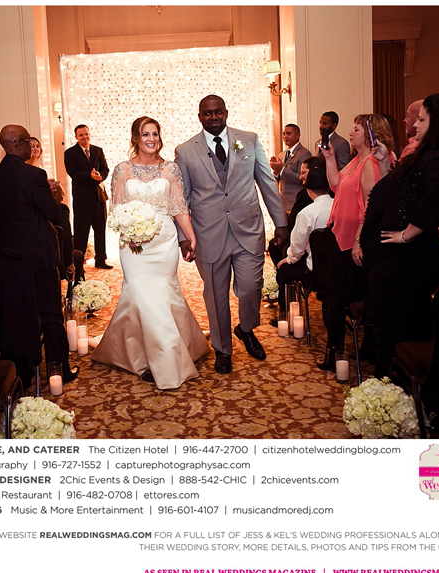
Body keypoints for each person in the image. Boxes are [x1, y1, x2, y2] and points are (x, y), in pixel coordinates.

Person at [92, 117, 209, 389]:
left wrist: (191, 236)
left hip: (164, 241)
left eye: (155, 134)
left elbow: (178, 206)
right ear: (136, 137)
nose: (151, 139)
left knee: (165, 294)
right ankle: (147, 356)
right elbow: (116, 210)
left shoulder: (170, 168)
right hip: (133, 245)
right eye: (146, 134)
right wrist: (129, 230)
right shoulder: (122, 170)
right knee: (137, 295)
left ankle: (164, 354)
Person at [175, 94, 288, 374]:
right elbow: (182, 198)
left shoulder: (249, 139)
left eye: (218, 112)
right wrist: (183, 237)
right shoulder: (185, 151)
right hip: (208, 234)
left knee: (251, 287)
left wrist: (281, 222)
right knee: (215, 297)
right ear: (199, 116)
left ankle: (246, 328)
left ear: (225, 112)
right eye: (207, 113)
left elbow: (266, 182)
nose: (213, 117)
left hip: (248, 230)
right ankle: (223, 349)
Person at [360, 94, 439, 378]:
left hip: (410, 266)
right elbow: (400, 192)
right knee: (390, 334)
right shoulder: (427, 155)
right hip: (398, 265)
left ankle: (391, 394)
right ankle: (387, 392)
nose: (415, 124)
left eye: (422, 119)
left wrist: (407, 234)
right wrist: (384, 165)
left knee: (396, 335)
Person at [0, 124, 78, 384]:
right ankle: (58, 369)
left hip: (9, 256)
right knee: (51, 314)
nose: (31, 145)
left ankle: (24, 372)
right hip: (39, 256)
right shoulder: (33, 174)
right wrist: (52, 195)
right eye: (27, 141)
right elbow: (51, 212)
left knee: (20, 315)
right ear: (17, 143)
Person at [317, 113, 393, 371]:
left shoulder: (372, 162)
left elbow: (371, 208)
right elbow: (335, 185)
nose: (351, 133)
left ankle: (335, 353)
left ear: (372, 135)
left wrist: (359, 240)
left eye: (357, 129)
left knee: (337, 298)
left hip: (352, 240)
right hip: (340, 234)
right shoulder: (356, 160)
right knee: (335, 297)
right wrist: (329, 158)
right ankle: (338, 349)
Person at [271, 167, 333, 326]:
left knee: (283, 271)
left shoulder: (307, 213)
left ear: (308, 191)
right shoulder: (340, 206)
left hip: (315, 273)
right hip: (340, 269)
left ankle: (286, 316)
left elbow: (297, 247)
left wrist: (289, 259)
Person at [64, 124, 112, 269]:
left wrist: (100, 176)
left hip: (98, 198)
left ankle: (101, 260)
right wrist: (90, 176)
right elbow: (73, 173)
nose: (84, 137)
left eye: (86, 134)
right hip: (82, 200)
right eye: (81, 135)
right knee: (81, 232)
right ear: (76, 137)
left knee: (100, 230)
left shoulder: (98, 150)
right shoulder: (70, 153)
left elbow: (105, 169)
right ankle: (78, 263)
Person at [269, 123, 312, 212]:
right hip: (283, 203)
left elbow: (302, 179)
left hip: (296, 202)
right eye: (284, 134)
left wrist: (282, 169)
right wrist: (276, 171)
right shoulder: (282, 154)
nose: (285, 137)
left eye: (288, 134)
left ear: (298, 135)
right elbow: (280, 179)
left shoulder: (304, 153)